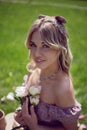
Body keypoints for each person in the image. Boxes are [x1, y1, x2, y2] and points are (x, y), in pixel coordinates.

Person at [7, 14, 81, 130]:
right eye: (33, 45)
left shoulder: (62, 88)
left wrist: (35, 126)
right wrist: (21, 115)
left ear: (60, 48)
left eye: (45, 46)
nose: (36, 54)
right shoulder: (34, 69)